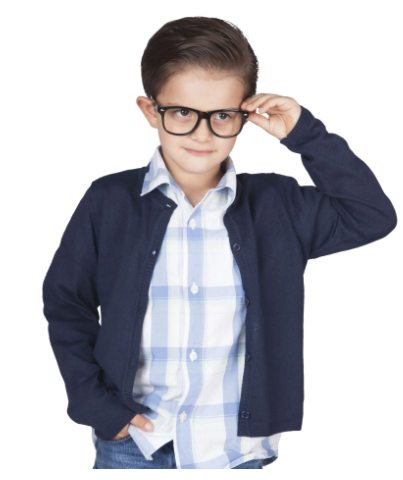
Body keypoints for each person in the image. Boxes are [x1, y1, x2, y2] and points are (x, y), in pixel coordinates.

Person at [42, 16, 397, 469]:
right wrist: (97, 407)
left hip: (236, 452)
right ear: (151, 110)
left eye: (222, 115)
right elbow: (66, 302)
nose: (202, 133)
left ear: (244, 115)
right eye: (182, 112)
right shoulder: (109, 201)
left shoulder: (278, 206)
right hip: (136, 445)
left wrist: (304, 132)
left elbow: (371, 214)